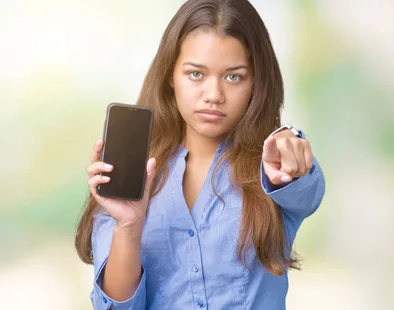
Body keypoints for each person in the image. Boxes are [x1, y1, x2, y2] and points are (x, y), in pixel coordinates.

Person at [74, 0, 326, 309]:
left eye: (233, 76)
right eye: (196, 74)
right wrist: (128, 226)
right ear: (170, 75)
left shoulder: (273, 168)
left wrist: (291, 152)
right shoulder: (128, 171)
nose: (213, 95)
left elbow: (306, 190)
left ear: (255, 83)